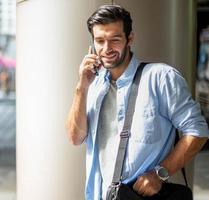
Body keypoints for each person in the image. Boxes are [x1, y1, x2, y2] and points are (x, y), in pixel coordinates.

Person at [65, 5, 209, 200]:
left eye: (115, 40)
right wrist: (81, 87)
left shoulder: (160, 78)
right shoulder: (94, 84)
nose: (106, 49)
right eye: (100, 41)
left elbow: (198, 131)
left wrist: (160, 173)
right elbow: (75, 138)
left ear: (130, 38)